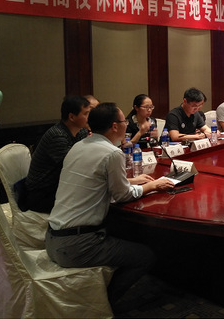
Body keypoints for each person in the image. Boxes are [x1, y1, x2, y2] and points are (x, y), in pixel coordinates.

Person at [45, 103, 175, 312]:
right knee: (145, 256)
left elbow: (95, 179)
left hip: (53, 238)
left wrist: (130, 180)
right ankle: (104, 305)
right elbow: (122, 195)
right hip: (78, 245)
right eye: (124, 121)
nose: (126, 124)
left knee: (123, 231)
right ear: (115, 126)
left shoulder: (78, 146)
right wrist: (152, 185)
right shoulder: (112, 153)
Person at [26, 95, 91, 213]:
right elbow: (75, 166)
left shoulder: (81, 131)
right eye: (86, 114)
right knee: (91, 201)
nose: (89, 117)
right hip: (41, 194)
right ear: (72, 117)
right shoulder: (57, 136)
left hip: (60, 187)